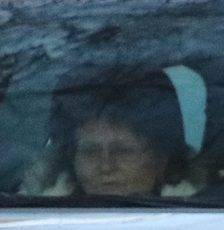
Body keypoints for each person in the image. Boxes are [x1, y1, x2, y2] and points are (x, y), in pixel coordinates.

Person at [23, 70, 202, 202]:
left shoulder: (210, 218)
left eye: (123, 151)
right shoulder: (29, 218)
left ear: (162, 158)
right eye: (90, 152)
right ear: (72, 160)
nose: (106, 166)